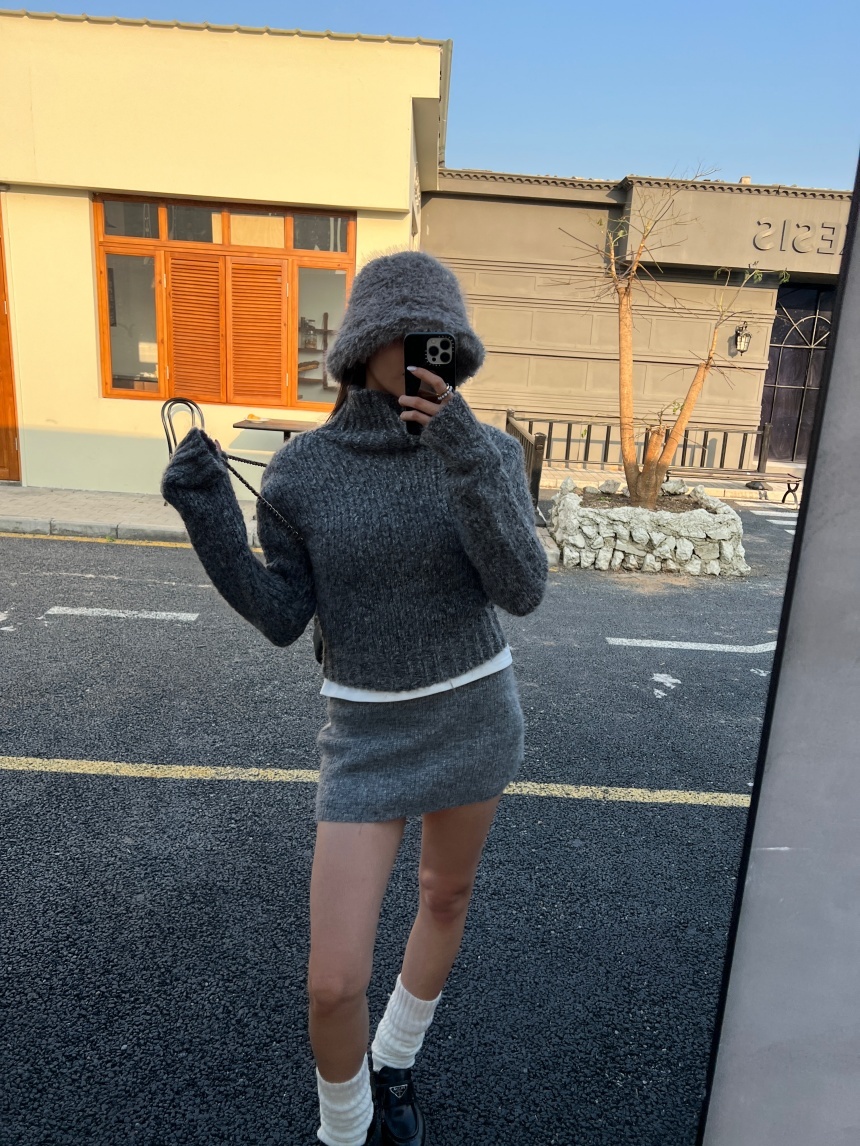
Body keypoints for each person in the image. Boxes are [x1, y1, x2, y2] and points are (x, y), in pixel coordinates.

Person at [161, 250, 548, 1146]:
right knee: (332, 983)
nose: (426, 355)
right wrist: (210, 518)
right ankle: (344, 1130)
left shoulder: (490, 450)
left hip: (475, 712)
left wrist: (463, 452)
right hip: (364, 734)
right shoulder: (301, 471)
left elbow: (522, 589)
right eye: (409, 336)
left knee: (444, 895)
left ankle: (396, 1057)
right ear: (365, 344)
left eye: (442, 339)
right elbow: (280, 616)